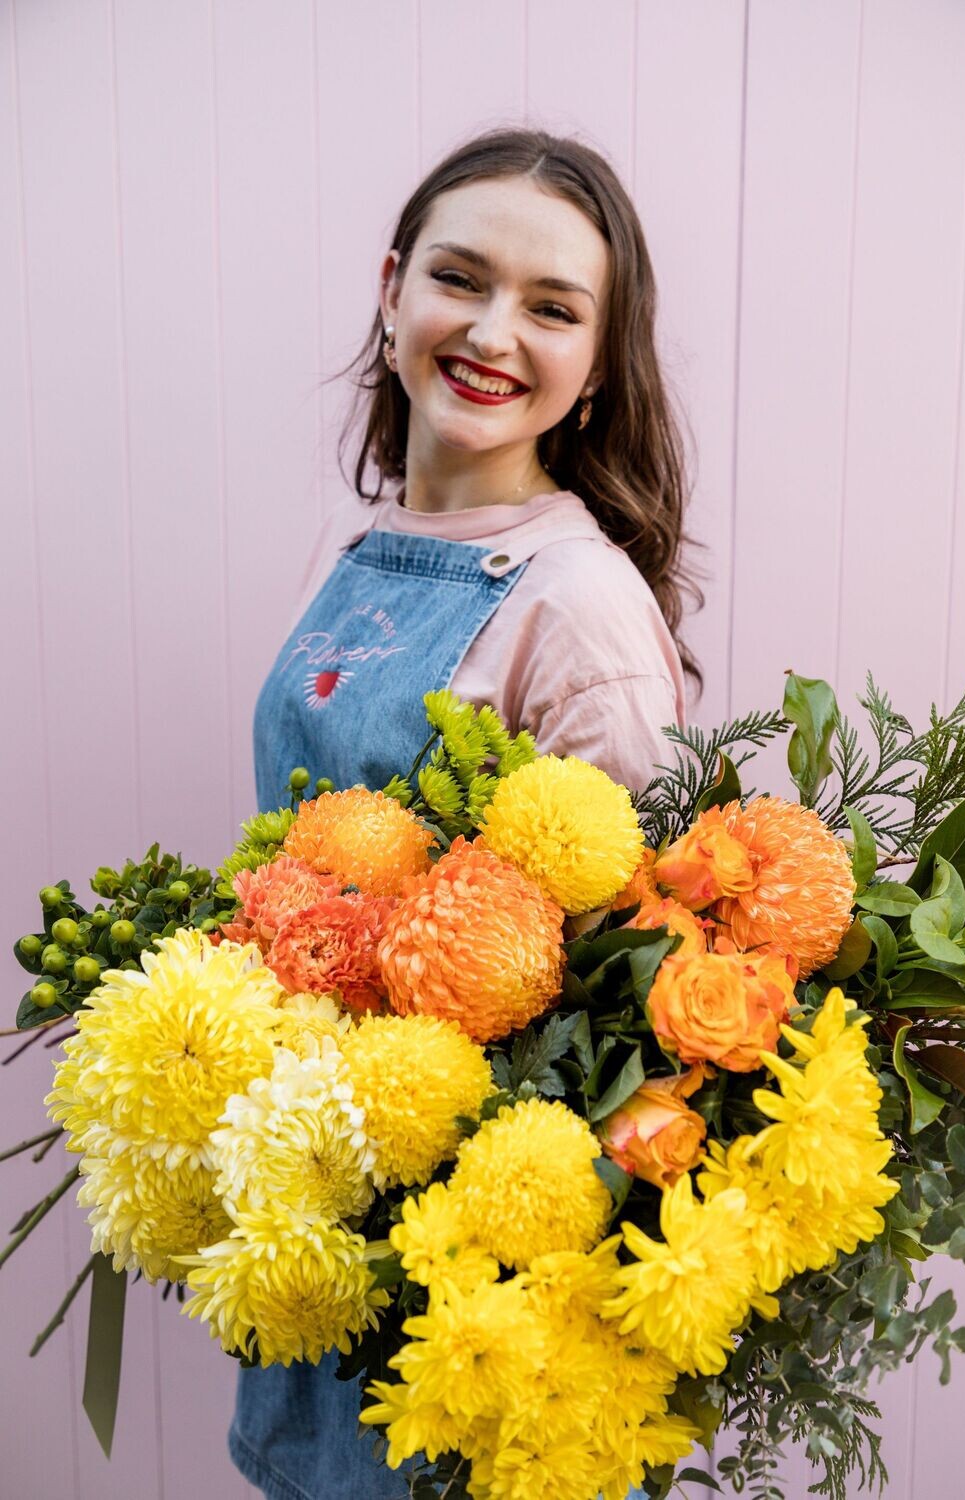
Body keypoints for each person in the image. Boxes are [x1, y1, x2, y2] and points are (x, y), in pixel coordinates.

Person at [232, 126, 703, 1500]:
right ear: (392, 293)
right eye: (461, 278)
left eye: (553, 308)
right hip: (319, 1192)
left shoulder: (580, 605)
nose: (495, 331)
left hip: (463, 1280)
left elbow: (631, 1002)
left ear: (598, 363)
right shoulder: (359, 538)